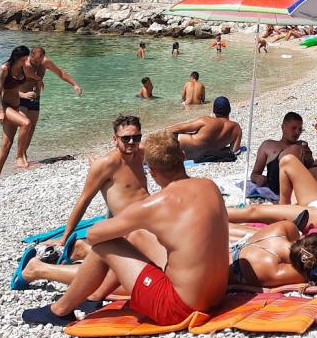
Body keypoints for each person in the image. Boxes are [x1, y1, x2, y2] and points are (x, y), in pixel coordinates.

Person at [22, 132, 230, 327]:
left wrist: (128, 219)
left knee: (106, 244)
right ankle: (95, 297)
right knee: (137, 234)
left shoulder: (156, 205)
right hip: (216, 297)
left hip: (179, 308)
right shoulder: (209, 186)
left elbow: (94, 235)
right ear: (182, 156)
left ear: (153, 171)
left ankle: (59, 310)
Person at [17, 116, 151, 289]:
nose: (132, 142)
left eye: (137, 137)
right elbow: (84, 200)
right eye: (126, 138)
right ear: (114, 138)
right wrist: (64, 238)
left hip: (148, 223)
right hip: (128, 231)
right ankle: (40, 268)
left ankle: (82, 249)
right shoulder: (107, 164)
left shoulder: (140, 154)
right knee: (133, 276)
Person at [15, 46, 82, 169]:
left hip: (35, 98)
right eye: (35, 60)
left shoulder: (45, 62)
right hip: (21, 98)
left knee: (31, 128)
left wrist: (74, 84)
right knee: (25, 125)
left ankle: (23, 154)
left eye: (39, 61)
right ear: (30, 56)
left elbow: (60, 73)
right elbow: (11, 83)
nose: (37, 63)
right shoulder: (24, 64)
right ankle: (19, 156)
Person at [227, 221, 317, 290]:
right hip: (222, 272)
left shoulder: (284, 228)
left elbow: (294, 235)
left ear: (303, 236)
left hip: (228, 249)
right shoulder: (280, 271)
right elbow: (311, 274)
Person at [0, 45, 36, 179]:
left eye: (26, 59)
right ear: (16, 58)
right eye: (23, 60)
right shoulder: (4, 69)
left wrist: (25, 94)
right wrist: (0, 111)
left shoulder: (23, 68)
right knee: (26, 123)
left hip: (15, 106)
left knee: (6, 144)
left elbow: (15, 89)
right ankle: (19, 157)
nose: (25, 62)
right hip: (4, 107)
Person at [250, 112, 315, 196]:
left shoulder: (302, 145)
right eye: (293, 128)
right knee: (295, 149)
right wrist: (258, 178)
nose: (297, 132)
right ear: (283, 127)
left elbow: (311, 168)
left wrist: (308, 158)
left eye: (300, 129)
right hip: (278, 184)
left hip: (299, 183)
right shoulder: (268, 145)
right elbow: (255, 173)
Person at [167, 96, 242, 161]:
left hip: (179, 146)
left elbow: (178, 128)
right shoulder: (236, 128)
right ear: (229, 110)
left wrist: (165, 131)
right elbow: (234, 151)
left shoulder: (206, 121)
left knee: (172, 134)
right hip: (198, 156)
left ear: (214, 110)